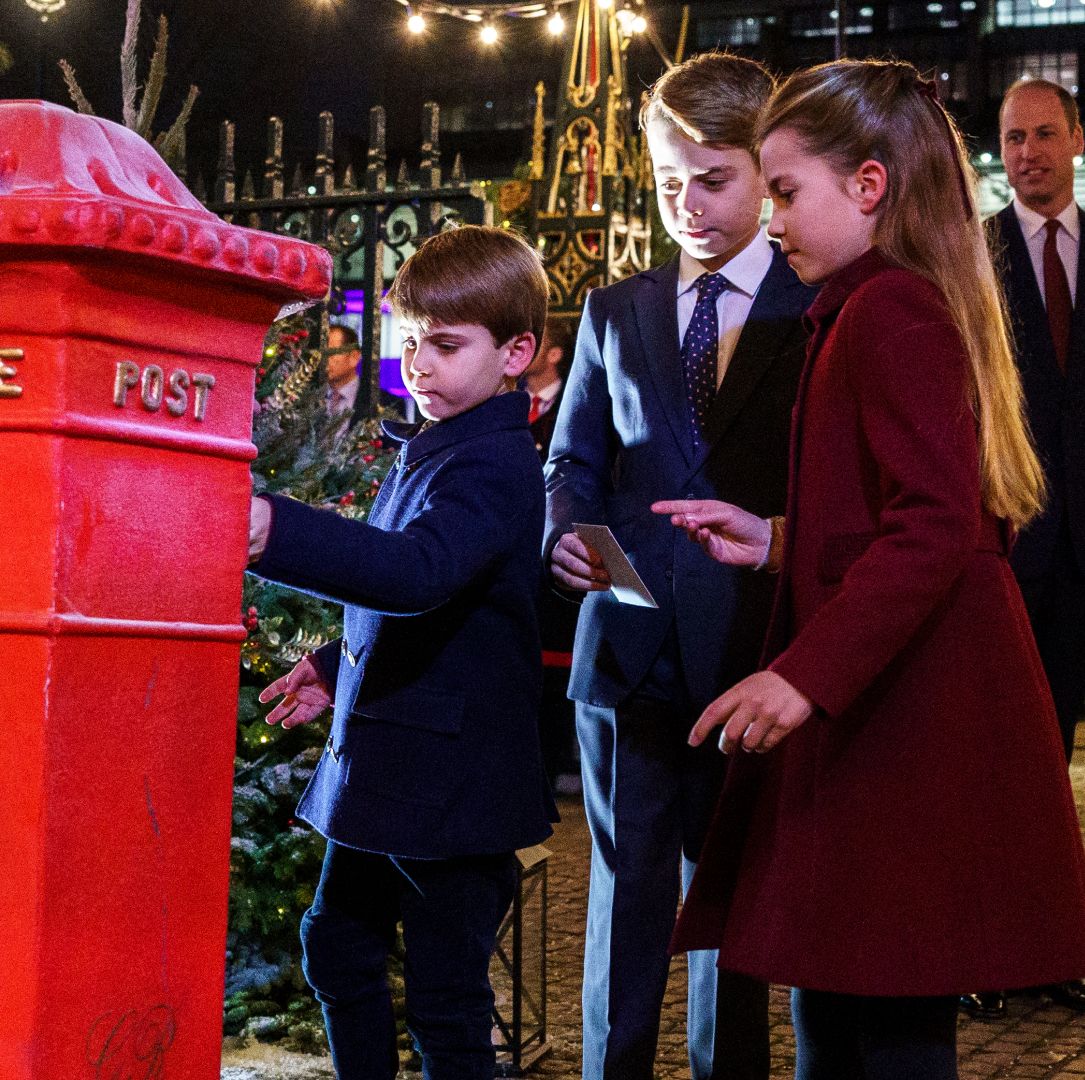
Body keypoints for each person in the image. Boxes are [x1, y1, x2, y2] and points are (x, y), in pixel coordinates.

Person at [654, 59, 1085, 1080]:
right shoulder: (881, 302)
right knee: (849, 1008)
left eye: (787, 190)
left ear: (868, 184)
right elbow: (911, 514)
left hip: (899, 720)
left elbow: (936, 528)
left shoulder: (886, 311)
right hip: (896, 710)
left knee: (875, 1024)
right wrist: (776, 538)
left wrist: (799, 675)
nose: (771, 219)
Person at [544, 51, 817, 1080]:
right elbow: (572, 459)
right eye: (666, 183)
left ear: (764, 171)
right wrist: (564, 531)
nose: (686, 206)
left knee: (731, 896)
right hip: (623, 650)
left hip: (752, 647)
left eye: (711, 180)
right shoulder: (614, 310)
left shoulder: (812, 303)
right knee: (621, 895)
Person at [248, 225, 558, 1080]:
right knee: (337, 948)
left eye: (446, 345)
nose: (418, 363)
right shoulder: (441, 440)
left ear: (515, 353)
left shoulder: (493, 462)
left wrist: (274, 526)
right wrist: (329, 665)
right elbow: (434, 602)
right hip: (396, 766)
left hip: (451, 787)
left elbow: (418, 572)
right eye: (410, 339)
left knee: (445, 1001)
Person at [960, 77, 1085, 1022]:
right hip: (1013, 545)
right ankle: (995, 949)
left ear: (1076, 138)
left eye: (1045, 132)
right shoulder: (975, 259)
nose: (1030, 151)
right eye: (1014, 137)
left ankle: (1066, 945)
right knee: (1008, 762)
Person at [525, 316, 581, 791]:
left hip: (555, 546)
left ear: (555, 354)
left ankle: (559, 758)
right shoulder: (509, 404)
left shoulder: (569, 403)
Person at [324, 323, 362, 419]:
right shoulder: (306, 397)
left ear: (354, 357)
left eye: (332, 352)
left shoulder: (382, 401)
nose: (324, 359)